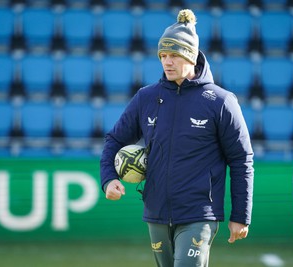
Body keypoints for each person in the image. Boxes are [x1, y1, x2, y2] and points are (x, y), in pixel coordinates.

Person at [100, 9, 254, 267]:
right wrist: (108, 179)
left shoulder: (221, 101)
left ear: (191, 56)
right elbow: (114, 140)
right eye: (163, 55)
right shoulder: (146, 97)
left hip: (199, 214)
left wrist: (241, 215)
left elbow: (241, 160)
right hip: (156, 213)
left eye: (174, 55)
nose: (167, 62)